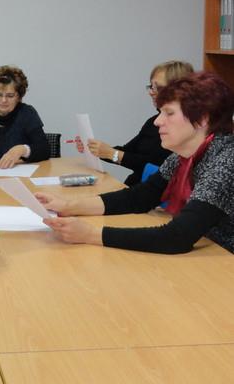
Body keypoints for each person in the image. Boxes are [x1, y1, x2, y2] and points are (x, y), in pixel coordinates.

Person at [38, 72, 234, 254]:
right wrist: (68, 206)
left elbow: (176, 237)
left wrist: (90, 234)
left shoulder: (226, 161)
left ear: (202, 119)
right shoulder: (184, 156)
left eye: (169, 113)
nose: (157, 121)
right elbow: (140, 197)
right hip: (212, 252)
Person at [75, 60, 194, 185]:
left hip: (151, 193)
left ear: (178, 91)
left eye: (157, 88)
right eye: (151, 86)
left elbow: (156, 168)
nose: (151, 92)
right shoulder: (152, 122)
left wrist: (112, 153)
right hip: (136, 188)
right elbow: (128, 152)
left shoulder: (182, 130)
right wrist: (95, 149)